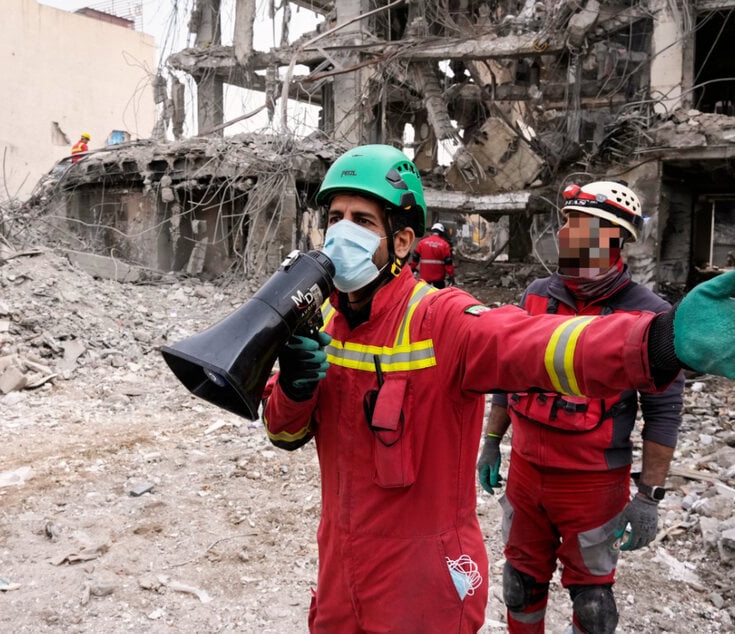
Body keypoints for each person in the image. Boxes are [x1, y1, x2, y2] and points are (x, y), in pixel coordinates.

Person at [261, 144, 735, 633]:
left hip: (421, 581)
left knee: (590, 600)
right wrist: (295, 388)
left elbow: (537, 344)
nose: (342, 231)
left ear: (402, 241)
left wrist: (658, 339)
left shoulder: (441, 319)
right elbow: (284, 434)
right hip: (341, 568)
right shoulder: (324, 320)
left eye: (361, 220)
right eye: (335, 216)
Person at [475, 180, 685, 634]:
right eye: (566, 221)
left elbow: (663, 412)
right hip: (528, 475)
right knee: (519, 584)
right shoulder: (537, 296)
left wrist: (648, 497)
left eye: (580, 224)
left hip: (593, 485)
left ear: (613, 237)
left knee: (592, 602)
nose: (566, 232)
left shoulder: (650, 316)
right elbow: (506, 373)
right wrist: (492, 442)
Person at [411, 221, 455, 288]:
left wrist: (412, 268)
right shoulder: (444, 245)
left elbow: (415, 257)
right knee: (438, 296)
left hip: (424, 277)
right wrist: (451, 275)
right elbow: (448, 263)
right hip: (439, 278)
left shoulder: (422, 242)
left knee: (424, 295)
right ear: (441, 232)